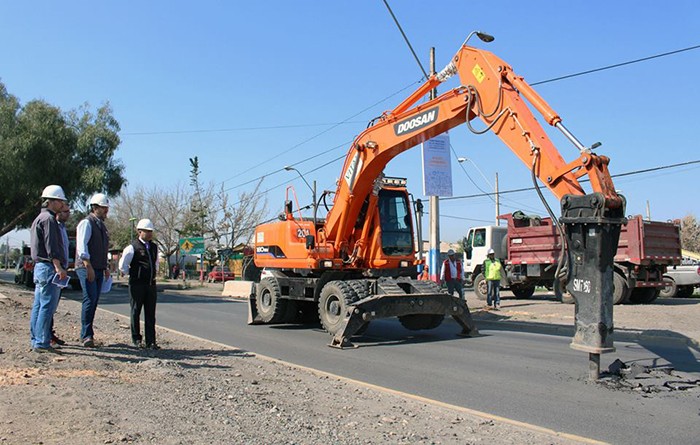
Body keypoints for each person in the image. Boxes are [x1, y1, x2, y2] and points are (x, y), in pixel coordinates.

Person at [29, 185, 69, 353]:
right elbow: (51, 245)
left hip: (40, 267)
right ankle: (42, 342)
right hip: (48, 267)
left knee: (38, 305)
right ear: (54, 201)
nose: (63, 205)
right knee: (47, 306)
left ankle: (36, 339)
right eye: (61, 201)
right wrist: (58, 266)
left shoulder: (39, 218)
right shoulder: (49, 220)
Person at [75, 193, 111, 347]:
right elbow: (82, 246)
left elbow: (102, 249)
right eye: (103, 208)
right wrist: (87, 265)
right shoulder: (86, 223)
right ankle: (86, 335)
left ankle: (89, 333)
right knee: (90, 299)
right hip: (87, 267)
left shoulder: (101, 226)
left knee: (94, 300)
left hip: (97, 267)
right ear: (95, 208)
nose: (106, 212)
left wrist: (105, 267)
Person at [119, 219, 160, 349]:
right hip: (137, 284)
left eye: (150, 231)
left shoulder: (153, 247)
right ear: (139, 231)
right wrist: (132, 274)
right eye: (146, 231)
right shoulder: (132, 247)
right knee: (136, 311)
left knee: (150, 313)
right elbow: (123, 265)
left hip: (150, 284)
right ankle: (136, 339)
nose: (149, 234)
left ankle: (151, 341)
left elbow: (156, 262)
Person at [49, 201, 71, 348]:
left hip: (63, 267)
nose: (67, 214)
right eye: (64, 211)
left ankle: (49, 333)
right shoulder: (53, 226)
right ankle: (46, 336)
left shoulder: (62, 228)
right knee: (48, 304)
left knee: (53, 304)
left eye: (68, 212)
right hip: (53, 269)